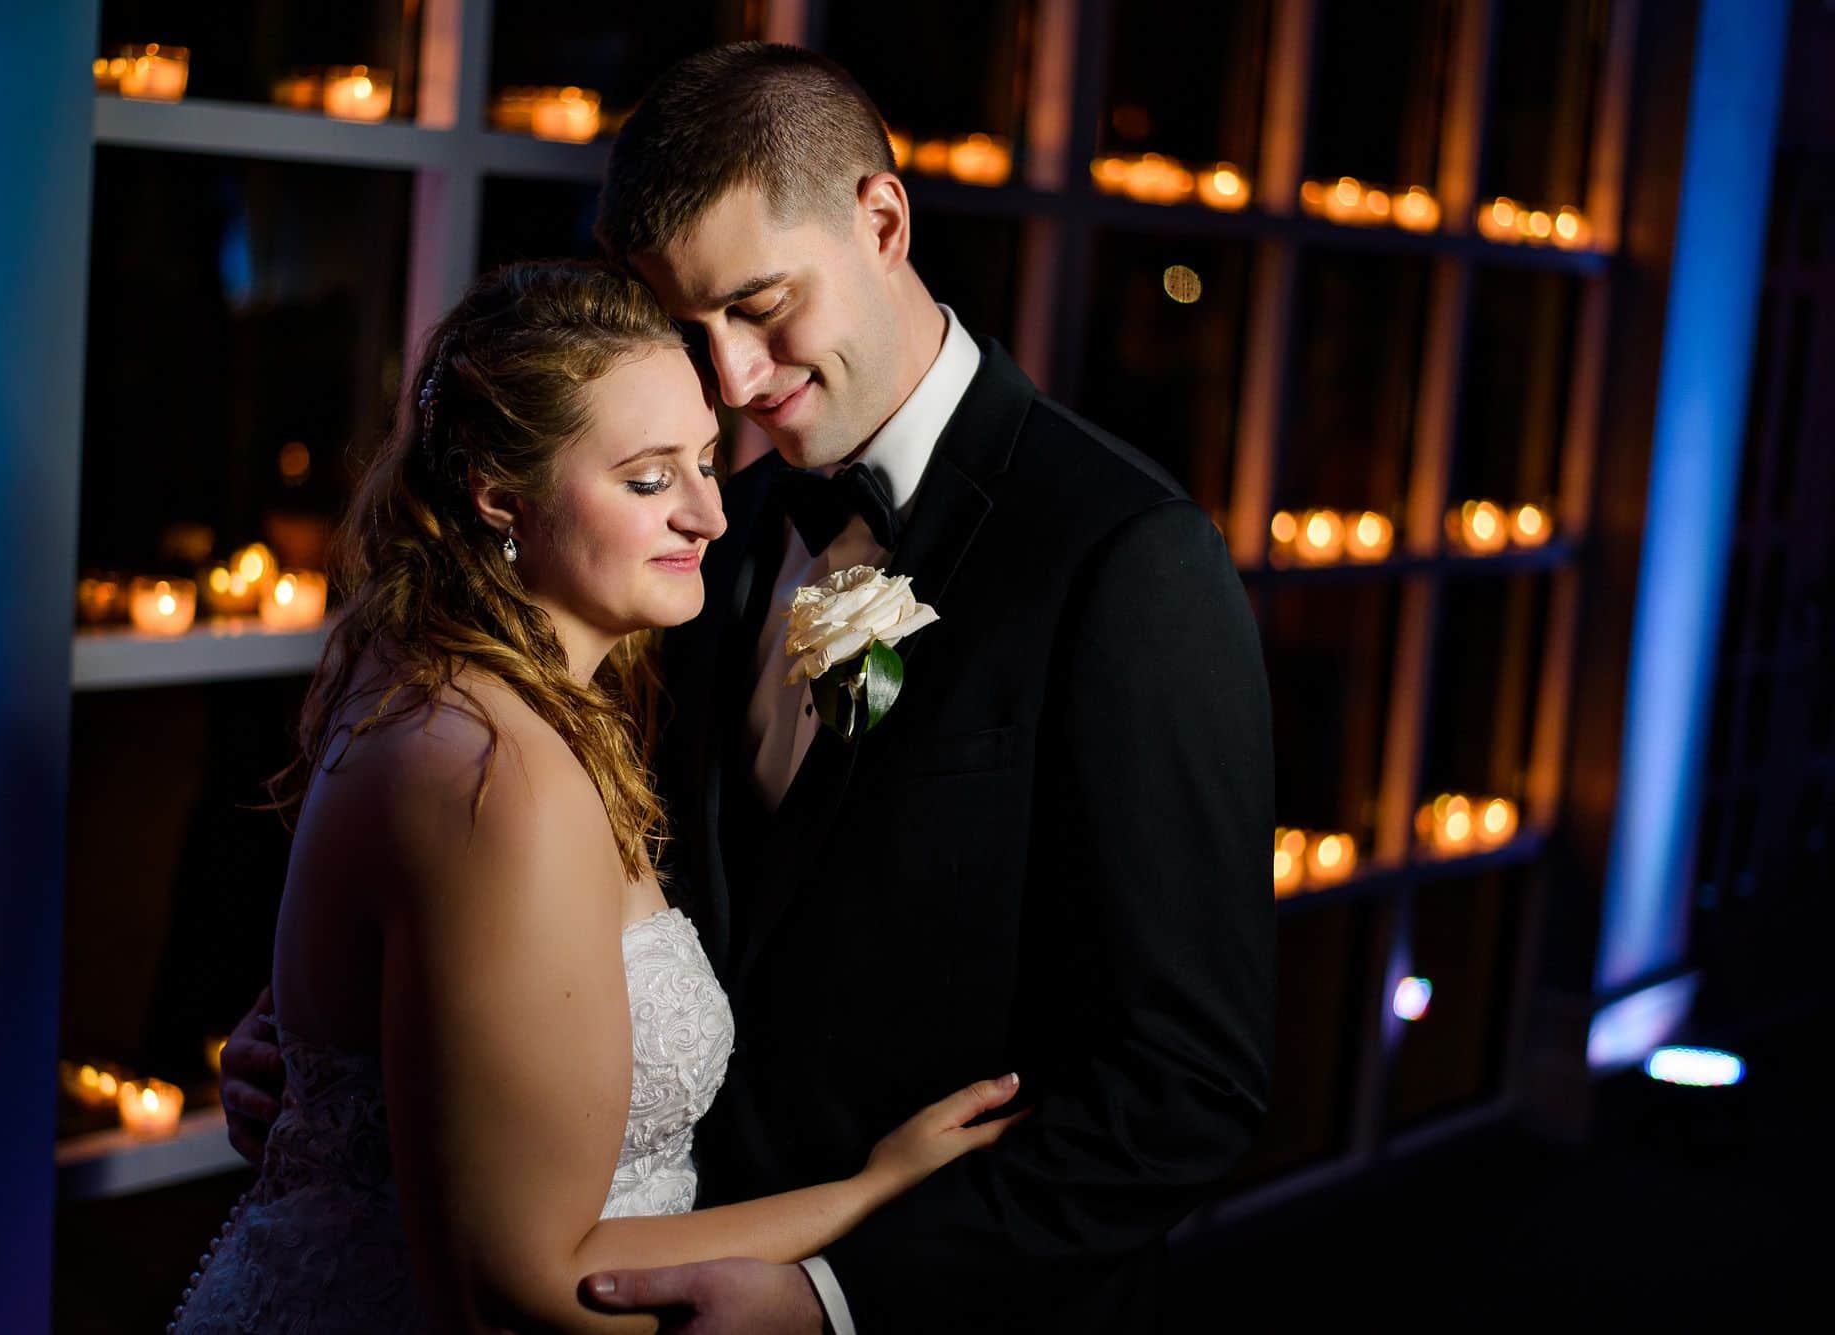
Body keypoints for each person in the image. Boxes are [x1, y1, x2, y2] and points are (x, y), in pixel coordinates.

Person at [227, 40, 1276, 1332]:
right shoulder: (690, 539)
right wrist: (361, 1047)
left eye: (761, 306)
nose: (729, 376)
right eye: (691, 326)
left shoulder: (1128, 559)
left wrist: (836, 1294)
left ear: (882, 220)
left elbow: (1188, 1085)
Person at [181, 258, 1025, 1334]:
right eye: (645, 479)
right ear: (498, 494)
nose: (708, 517)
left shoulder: (451, 678)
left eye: (709, 462)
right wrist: (865, 1196)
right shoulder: (497, 769)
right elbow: (513, 1285)